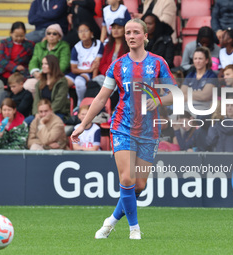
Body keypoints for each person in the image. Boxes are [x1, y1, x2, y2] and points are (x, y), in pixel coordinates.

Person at [71, 19, 175, 239]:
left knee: (139, 185)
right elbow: (101, 98)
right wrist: (84, 123)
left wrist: (157, 100)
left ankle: (110, 221)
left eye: (136, 32)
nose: (130, 35)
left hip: (149, 131)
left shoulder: (158, 63)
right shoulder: (117, 65)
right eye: (128, 32)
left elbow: (175, 94)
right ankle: (134, 229)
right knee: (126, 179)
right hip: (122, 126)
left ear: (145, 36)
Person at [24, 24, 71, 95]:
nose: (51, 35)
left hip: (56, 76)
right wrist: (35, 72)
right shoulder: (39, 46)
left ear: (59, 36)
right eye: (49, 33)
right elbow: (33, 61)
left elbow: (64, 64)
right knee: (27, 86)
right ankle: (38, 104)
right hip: (40, 76)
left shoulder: (64, 46)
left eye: (54, 34)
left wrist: (48, 73)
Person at [66, 22, 104, 106]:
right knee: (62, 83)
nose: (83, 33)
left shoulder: (98, 45)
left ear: (91, 33)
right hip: (79, 71)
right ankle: (66, 106)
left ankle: (81, 104)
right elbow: (73, 69)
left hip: (89, 73)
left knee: (79, 81)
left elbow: (96, 64)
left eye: (85, 31)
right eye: (80, 31)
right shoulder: (76, 47)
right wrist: (89, 69)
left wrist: (93, 76)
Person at [0, 22, 35, 86]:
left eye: (21, 36)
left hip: (21, 74)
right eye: (16, 36)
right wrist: (15, 67)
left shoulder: (30, 45)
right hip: (4, 72)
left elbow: (32, 60)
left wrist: (25, 69)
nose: (19, 38)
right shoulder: (4, 43)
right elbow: (0, 59)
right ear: (11, 34)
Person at [32, 55, 70, 121]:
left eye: (46, 64)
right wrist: (37, 113)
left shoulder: (62, 82)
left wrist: (47, 113)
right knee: (26, 123)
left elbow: (59, 101)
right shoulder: (40, 82)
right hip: (41, 113)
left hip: (57, 112)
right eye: (42, 64)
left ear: (53, 65)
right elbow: (36, 100)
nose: (43, 66)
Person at [181, 47, 218, 113]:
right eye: (195, 58)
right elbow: (181, 94)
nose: (197, 61)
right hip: (185, 108)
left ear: (206, 60)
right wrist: (198, 94)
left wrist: (187, 94)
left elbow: (204, 96)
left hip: (203, 109)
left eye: (200, 59)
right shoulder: (190, 75)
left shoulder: (211, 75)